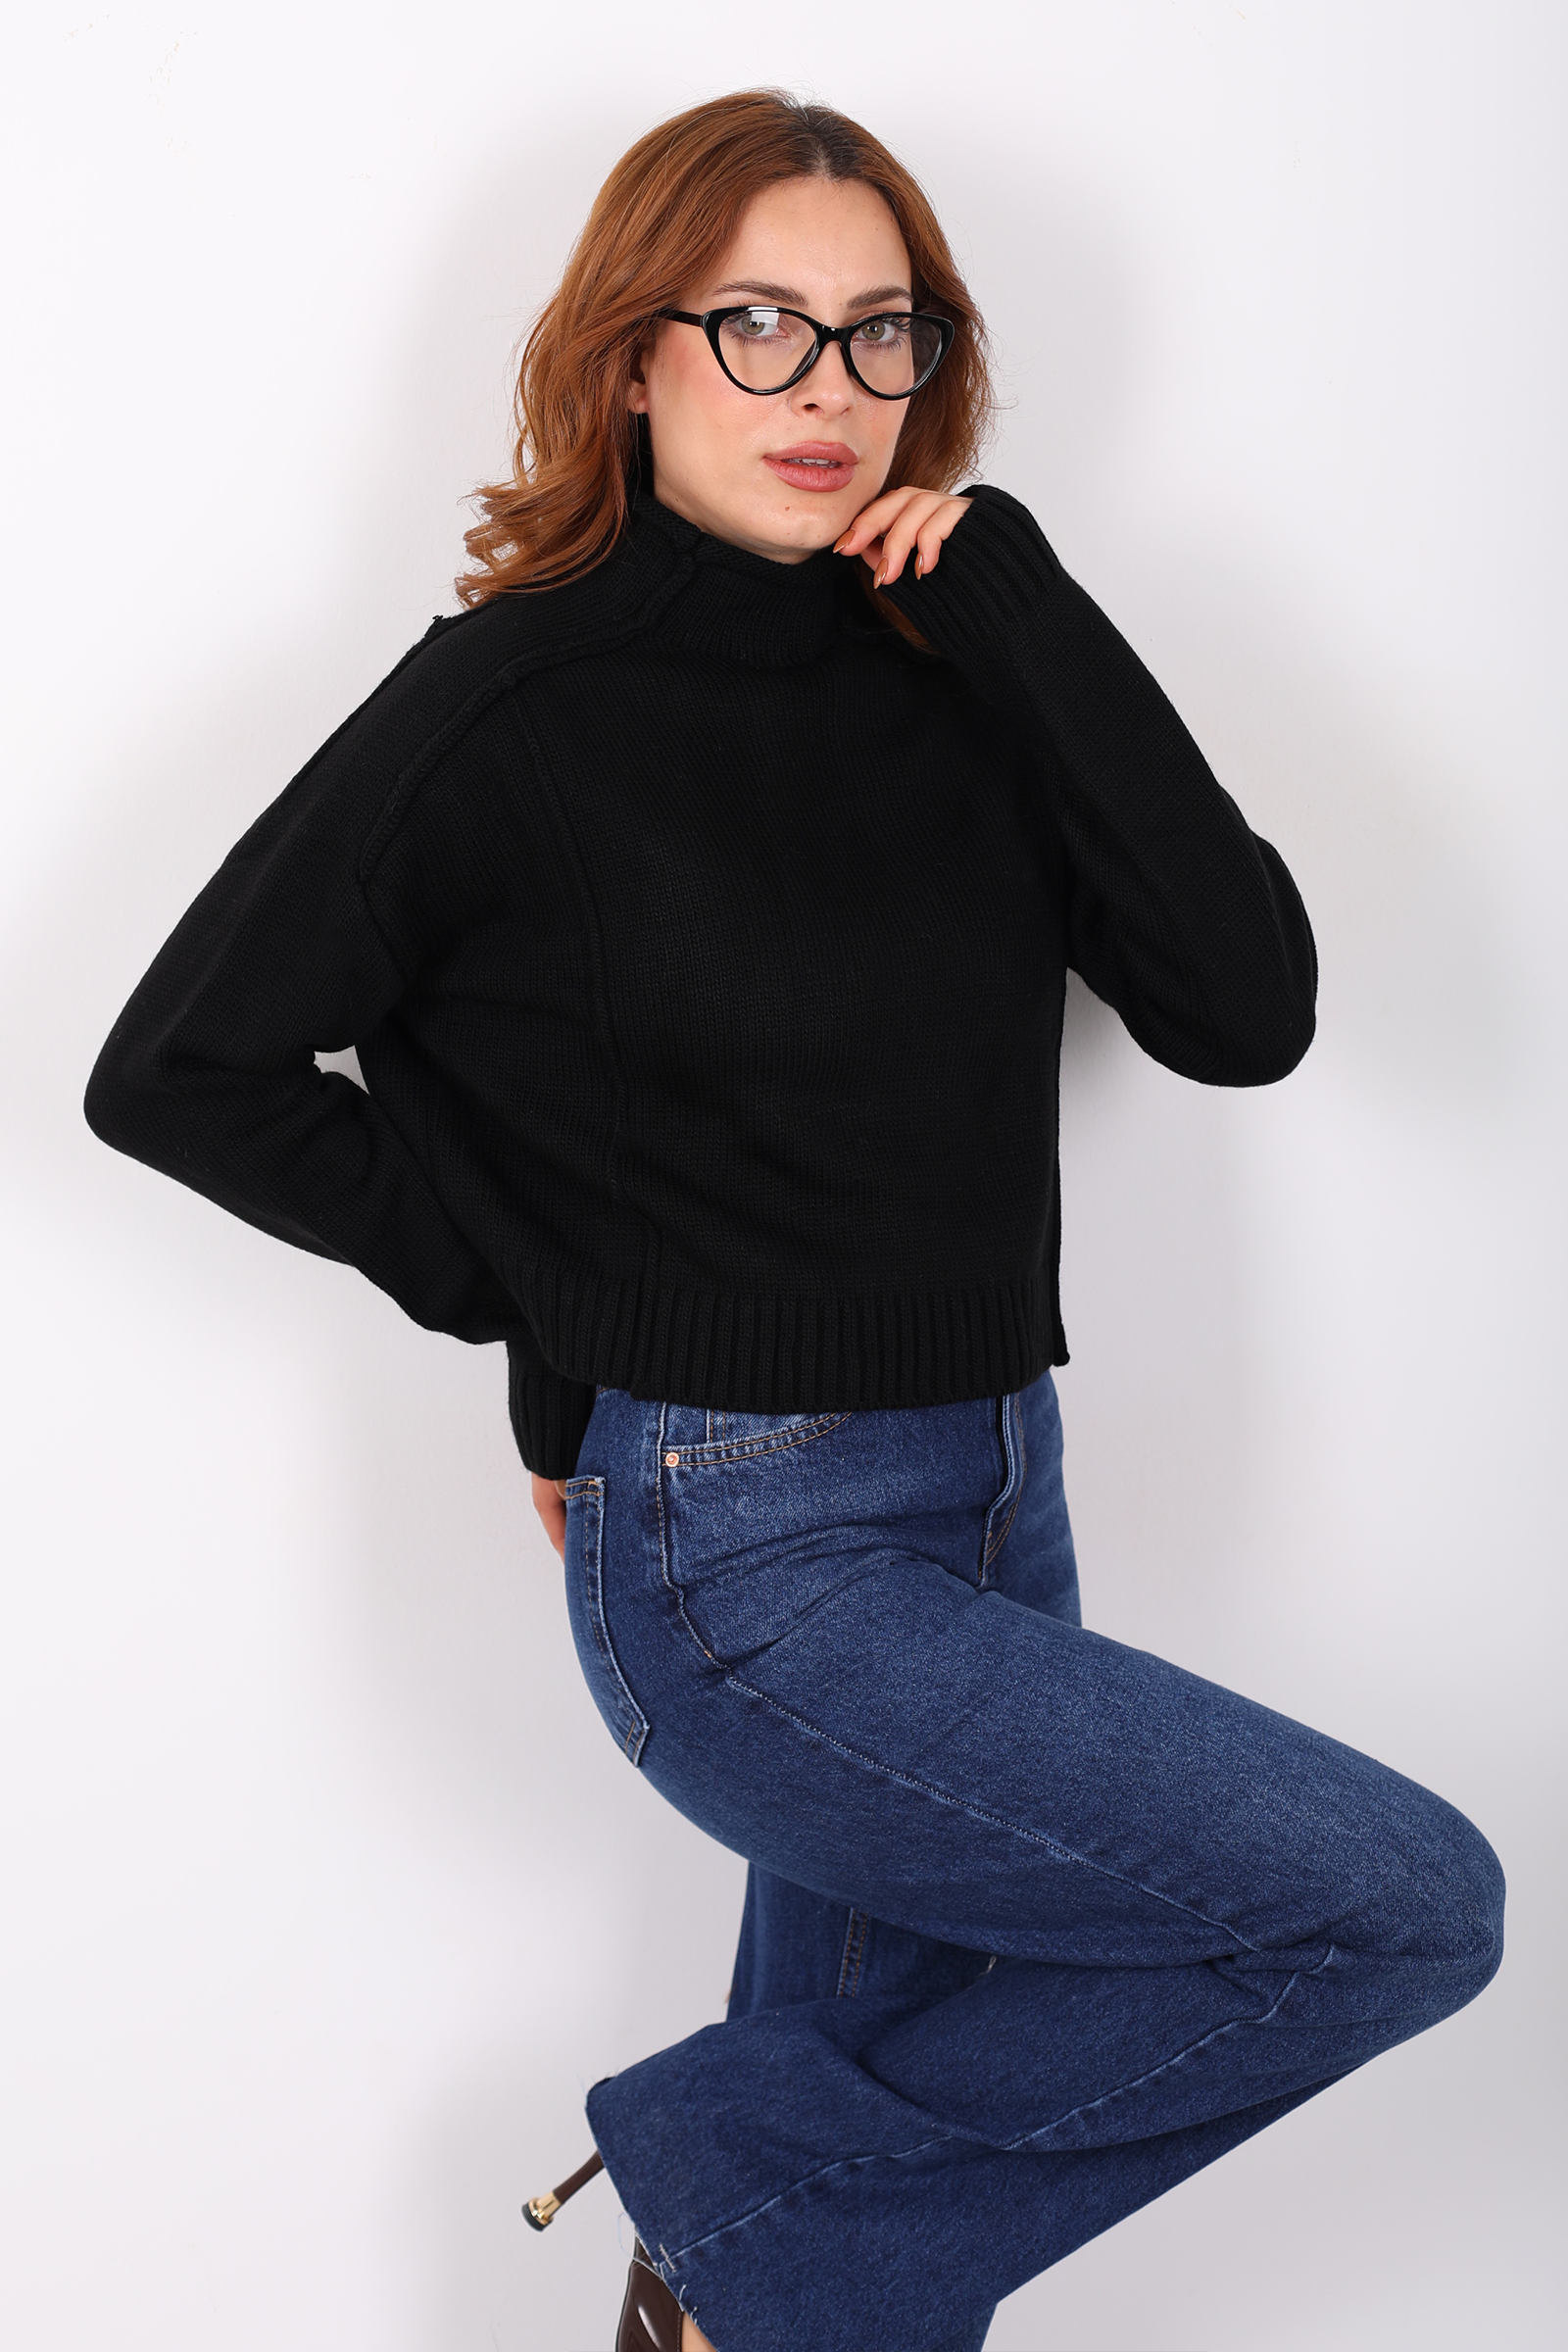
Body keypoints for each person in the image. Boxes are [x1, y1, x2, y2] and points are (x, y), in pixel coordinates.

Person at [84, 86, 1504, 2352]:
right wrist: (543, 1315)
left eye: (878, 332)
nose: (823, 387)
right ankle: (725, 2183)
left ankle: (730, 2277)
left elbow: (1241, 1014)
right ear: (627, 357)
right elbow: (178, 1069)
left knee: (852, 2305)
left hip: (998, 1488)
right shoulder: (510, 705)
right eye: (755, 325)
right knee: (1393, 1909)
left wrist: (1023, 609)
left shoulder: (970, 669)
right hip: (738, 1553)